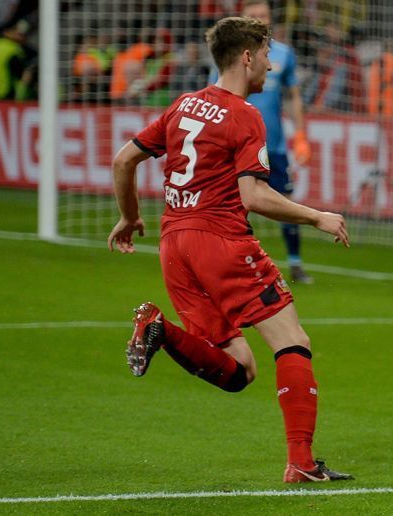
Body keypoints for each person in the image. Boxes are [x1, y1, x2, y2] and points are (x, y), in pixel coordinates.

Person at [107, 16, 353, 483]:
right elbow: (254, 197)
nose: (268, 67)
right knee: (293, 342)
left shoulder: (183, 105)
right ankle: (301, 463)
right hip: (221, 242)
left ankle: (160, 328)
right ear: (246, 57)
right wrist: (317, 215)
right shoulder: (245, 115)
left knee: (239, 371)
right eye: (264, 57)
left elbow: (124, 160)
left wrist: (129, 216)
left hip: (174, 246)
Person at [242, 0, 314, 283]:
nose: (259, 20)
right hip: (240, 143)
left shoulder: (283, 54)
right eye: (253, 16)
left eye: (263, 16)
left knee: (287, 203)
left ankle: (295, 263)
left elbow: (293, 95)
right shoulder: (231, 54)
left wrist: (300, 135)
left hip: (274, 146)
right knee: (237, 205)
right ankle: (238, 264)